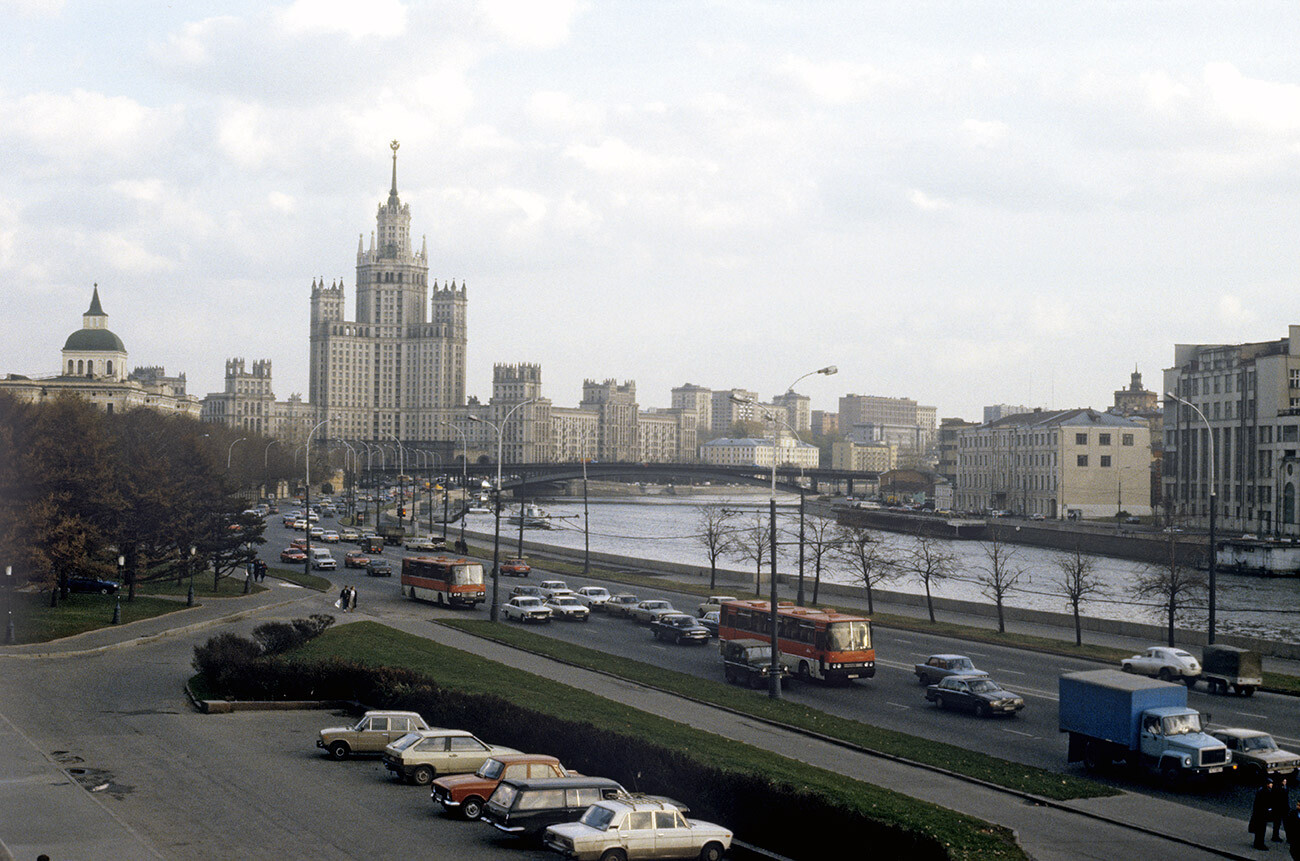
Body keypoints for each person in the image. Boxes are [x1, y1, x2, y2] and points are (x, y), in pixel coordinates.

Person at [1252, 779, 1275, 850]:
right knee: (1261, 830)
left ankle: (1257, 843)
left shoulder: (1262, 790)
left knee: (1259, 830)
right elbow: (1264, 803)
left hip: (1259, 814)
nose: (1272, 785)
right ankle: (1259, 844)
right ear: (1267, 784)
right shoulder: (1265, 792)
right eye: (1271, 783)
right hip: (1262, 814)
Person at [1272, 776, 1292, 842]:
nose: (1285, 781)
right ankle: (1276, 836)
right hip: (1280, 809)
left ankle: (1287, 837)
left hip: (1283, 809)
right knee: (1280, 823)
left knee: (1283, 824)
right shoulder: (1279, 789)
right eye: (1284, 781)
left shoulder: (1283, 788)